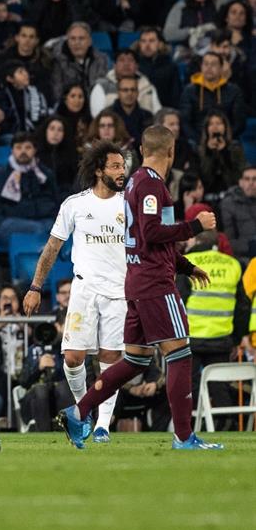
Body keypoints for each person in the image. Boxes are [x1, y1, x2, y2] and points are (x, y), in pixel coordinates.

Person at [59, 125, 224, 451]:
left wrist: (187, 267)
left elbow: (148, 240)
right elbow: (151, 233)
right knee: (179, 353)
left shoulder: (135, 184)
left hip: (135, 282)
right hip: (154, 285)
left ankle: (78, 412)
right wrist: (195, 225)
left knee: (134, 360)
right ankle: (183, 437)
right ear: (171, 150)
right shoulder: (150, 185)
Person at [24, 142, 127, 443]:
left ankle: (103, 426)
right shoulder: (75, 205)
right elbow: (53, 247)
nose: (122, 172)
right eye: (115, 166)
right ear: (98, 170)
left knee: (111, 357)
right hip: (83, 289)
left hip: (119, 291)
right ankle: (85, 411)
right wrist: (35, 286)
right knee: (72, 357)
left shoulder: (128, 204)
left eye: (123, 166)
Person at [179, 229, 250, 428]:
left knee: (188, 385)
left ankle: (188, 425)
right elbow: (242, 306)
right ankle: (225, 420)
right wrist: (237, 339)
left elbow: (179, 300)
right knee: (219, 385)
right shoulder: (233, 264)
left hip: (190, 338)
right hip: (222, 338)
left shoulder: (188, 261)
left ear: (198, 240)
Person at [0, 134, 60, 248]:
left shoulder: (45, 174)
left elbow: (56, 203)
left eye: (28, 148)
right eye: (18, 147)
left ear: (34, 150)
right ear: (12, 150)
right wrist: (1, 223)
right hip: (11, 224)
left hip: (44, 221)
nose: (23, 151)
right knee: (37, 230)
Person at [49, 22, 109, 103]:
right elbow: (57, 93)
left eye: (81, 38)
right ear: (67, 41)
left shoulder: (101, 60)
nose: (77, 43)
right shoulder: (57, 61)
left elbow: (104, 89)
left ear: (89, 41)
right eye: (73, 39)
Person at [219, 166, 256, 257]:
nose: (251, 183)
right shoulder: (229, 204)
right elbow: (228, 241)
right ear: (241, 182)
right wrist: (251, 246)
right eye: (247, 179)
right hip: (244, 256)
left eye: (255, 179)